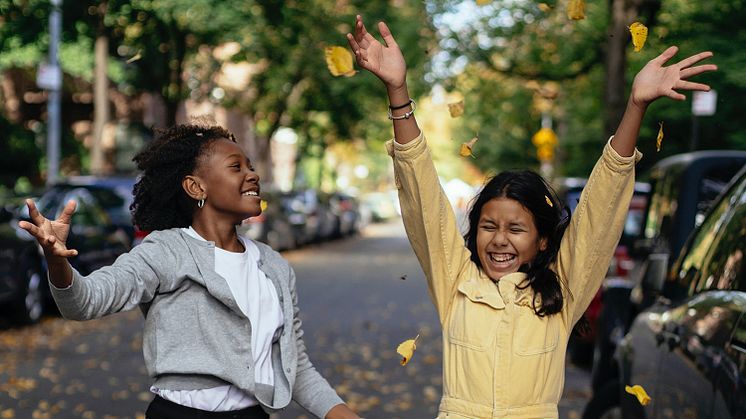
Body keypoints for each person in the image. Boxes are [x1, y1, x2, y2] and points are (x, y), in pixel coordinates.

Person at [347, 14, 716, 419]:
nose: (500, 239)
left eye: (516, 228)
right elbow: (423, 198)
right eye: (489, 226)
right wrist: (397, 91)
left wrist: (635, 106)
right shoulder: (456, 281)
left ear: (542, 239)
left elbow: (599, 210)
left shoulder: (562, 290)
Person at [19, 121, 360, 419]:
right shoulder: (166, 250)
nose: (252, 174)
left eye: (251, 166)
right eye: (235, 167)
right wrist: (57, 260)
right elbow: (85, 302)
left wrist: (341, 412)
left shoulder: (274, 266)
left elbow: (293, 364)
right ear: (196, 187)